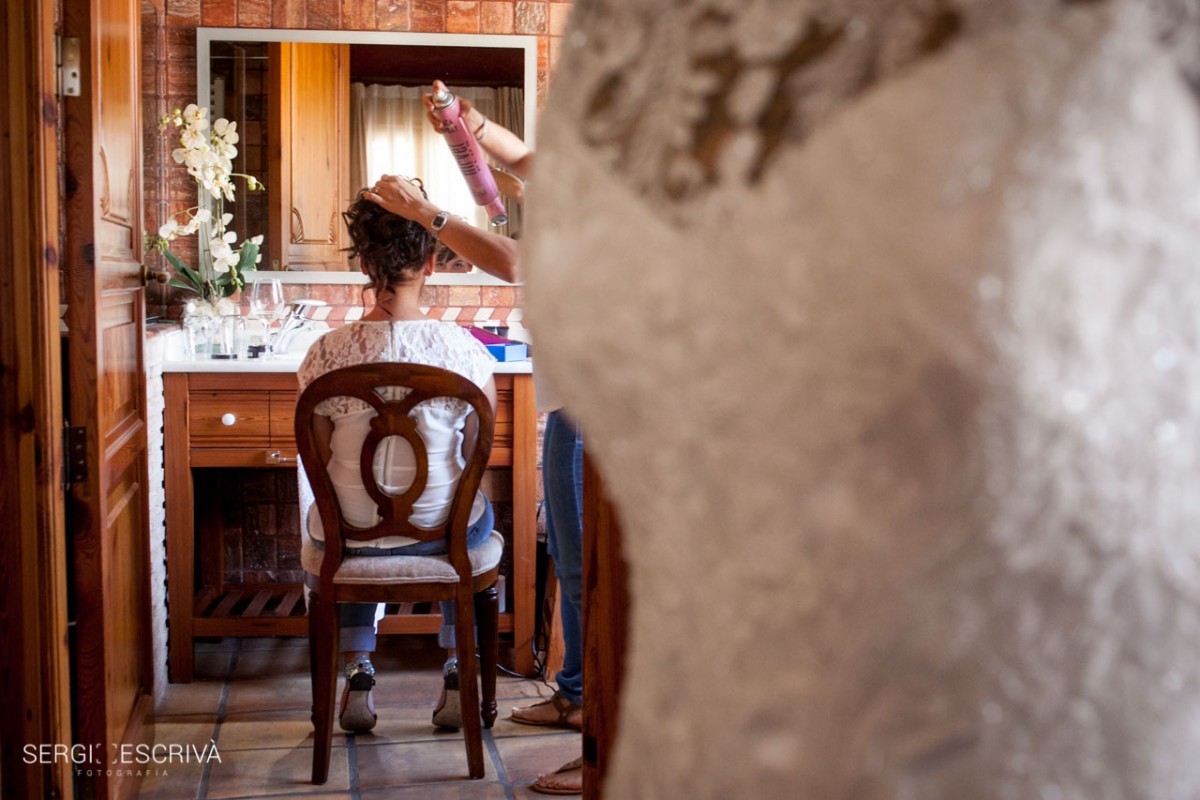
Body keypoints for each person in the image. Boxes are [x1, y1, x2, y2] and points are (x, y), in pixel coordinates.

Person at [365, 82, 586, 794]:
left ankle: (604, 745)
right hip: (574, 396)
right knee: (576, 563)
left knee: (591, 573)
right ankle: (577, 693)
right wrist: (465, 120)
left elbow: (522, 264)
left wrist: (425, 212)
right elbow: (529, 162)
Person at [297, 187, 499, 734]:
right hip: (440, 534)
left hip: (351, 536)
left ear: (364, 263)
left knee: (339, 508)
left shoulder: (326, 354)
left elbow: (316, 456)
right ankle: (458, 664)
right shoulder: (465, 352)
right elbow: (479, 450)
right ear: (432, 262)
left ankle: (358, 666)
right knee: (478, 507)